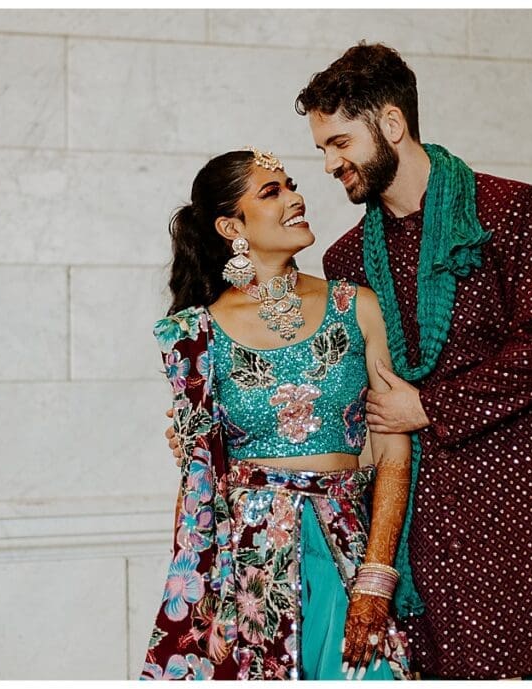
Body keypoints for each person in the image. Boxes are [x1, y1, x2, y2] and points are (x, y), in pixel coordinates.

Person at [292, 43, 532, 680]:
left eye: (338, 142)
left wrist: (427, 403)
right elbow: (350, 399)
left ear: (390, 124)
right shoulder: (346, 262)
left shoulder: (511, 212)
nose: (330, 164)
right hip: (435, 529)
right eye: (322, 149)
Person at [142, 148, 414, 681]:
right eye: (272, 192)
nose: (296, 197)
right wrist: (203, 607)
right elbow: (199, 486)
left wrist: (377, 574)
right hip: (248, 566)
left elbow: (391, 449)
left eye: (291, 185)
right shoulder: (195, 334)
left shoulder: (356, 305)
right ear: (230, 226)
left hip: (346, 542)